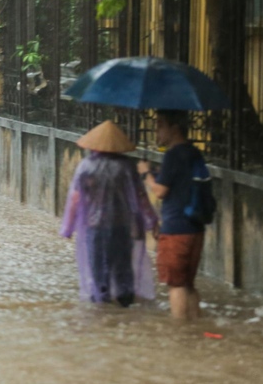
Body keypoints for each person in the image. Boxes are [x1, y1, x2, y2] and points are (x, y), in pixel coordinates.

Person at [61, 121, 157, 308]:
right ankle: (125, 306)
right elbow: (140, 197)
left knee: (98, 273)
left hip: (94, 228)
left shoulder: (86, 166)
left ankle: (102, 314)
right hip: (122, 228)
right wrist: (151, 220)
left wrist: (67, 228)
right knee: (123, 271)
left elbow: (75, 199)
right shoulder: (127, 167)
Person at [138, 110, 206, 319]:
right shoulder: (194, 153)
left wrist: (145, 173)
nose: (156, 130)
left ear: (174, 128)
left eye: (160, 124)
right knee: (188, 284)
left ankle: (179, 337)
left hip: (176, 230)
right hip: (196, 228)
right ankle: (196, 327)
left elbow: (159, 191)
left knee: (175, 285)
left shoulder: (173, 155)